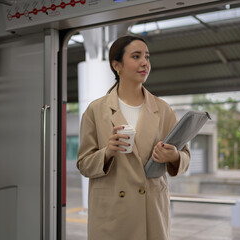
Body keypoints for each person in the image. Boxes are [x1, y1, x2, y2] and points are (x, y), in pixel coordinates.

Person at [77, 35, 190, 240]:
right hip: (112, 214)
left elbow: (185, 157)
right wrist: (107, 152)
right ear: (116, 65)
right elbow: (84, 164)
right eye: (136, 56)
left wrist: (173, 156)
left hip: (150, 210)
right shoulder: (96, 110)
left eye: (146, 56)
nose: (144, 62)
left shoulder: (163, 110)